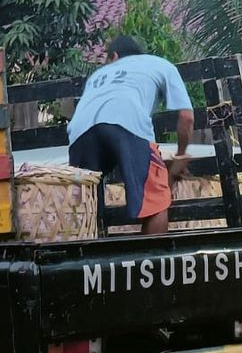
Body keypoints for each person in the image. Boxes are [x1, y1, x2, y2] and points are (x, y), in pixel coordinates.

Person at [67, 36, 195, 235]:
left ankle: (86, 259)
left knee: (85, 203)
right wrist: (181, 154)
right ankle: (152, 262)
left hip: (79, 133)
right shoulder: (160, 65)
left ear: (114, 56)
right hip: (127, 124)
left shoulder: (97, 76)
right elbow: (186, 117)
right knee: (156, 202)